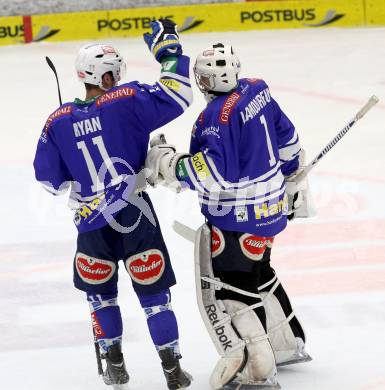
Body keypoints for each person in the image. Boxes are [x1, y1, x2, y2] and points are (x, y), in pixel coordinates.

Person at [33, 20, 193, 390]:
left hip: (90, 225)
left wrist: (77, 176)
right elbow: (179, 93)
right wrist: (169, 53)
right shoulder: (126, 100)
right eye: (115, 74)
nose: (118, 79)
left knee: (101, 298)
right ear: (106, 77)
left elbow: (49, 182)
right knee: (155, 298)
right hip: (135, 213)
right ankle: (172, 371)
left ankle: (115, 365)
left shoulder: (56, 121)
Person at [145, 43, 312, 389]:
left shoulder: (214, 119)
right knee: (260, 272)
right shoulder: (257, 90)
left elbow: (213, 175)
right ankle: (286, 344)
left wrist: (168, 164)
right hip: (271, 210)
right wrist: (294, 177)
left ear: (204, 81)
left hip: (235, 219)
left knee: (231, 290)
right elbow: (289, 140)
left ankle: (258, 370)